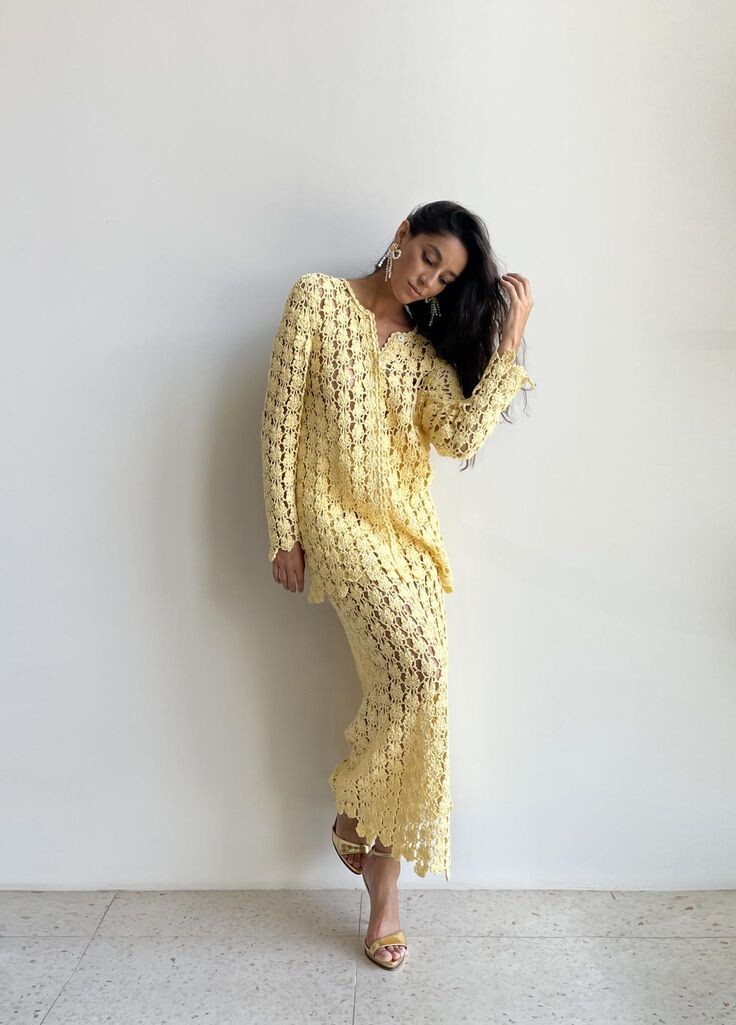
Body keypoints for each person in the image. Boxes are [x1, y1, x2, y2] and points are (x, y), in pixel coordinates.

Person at [260, 199, 536, 968]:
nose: (427, 280)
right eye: (427, 258)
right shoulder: (317, 299)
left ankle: (380, 879)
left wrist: (509, 341)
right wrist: (284, 530)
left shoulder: (424, 348)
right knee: (416, 668)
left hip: (408, 536)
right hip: (336, 522)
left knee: (425, 683)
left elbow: (457, 436)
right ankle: (357, 807)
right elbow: (280, 422)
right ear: (402, 235)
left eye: (444, 278)